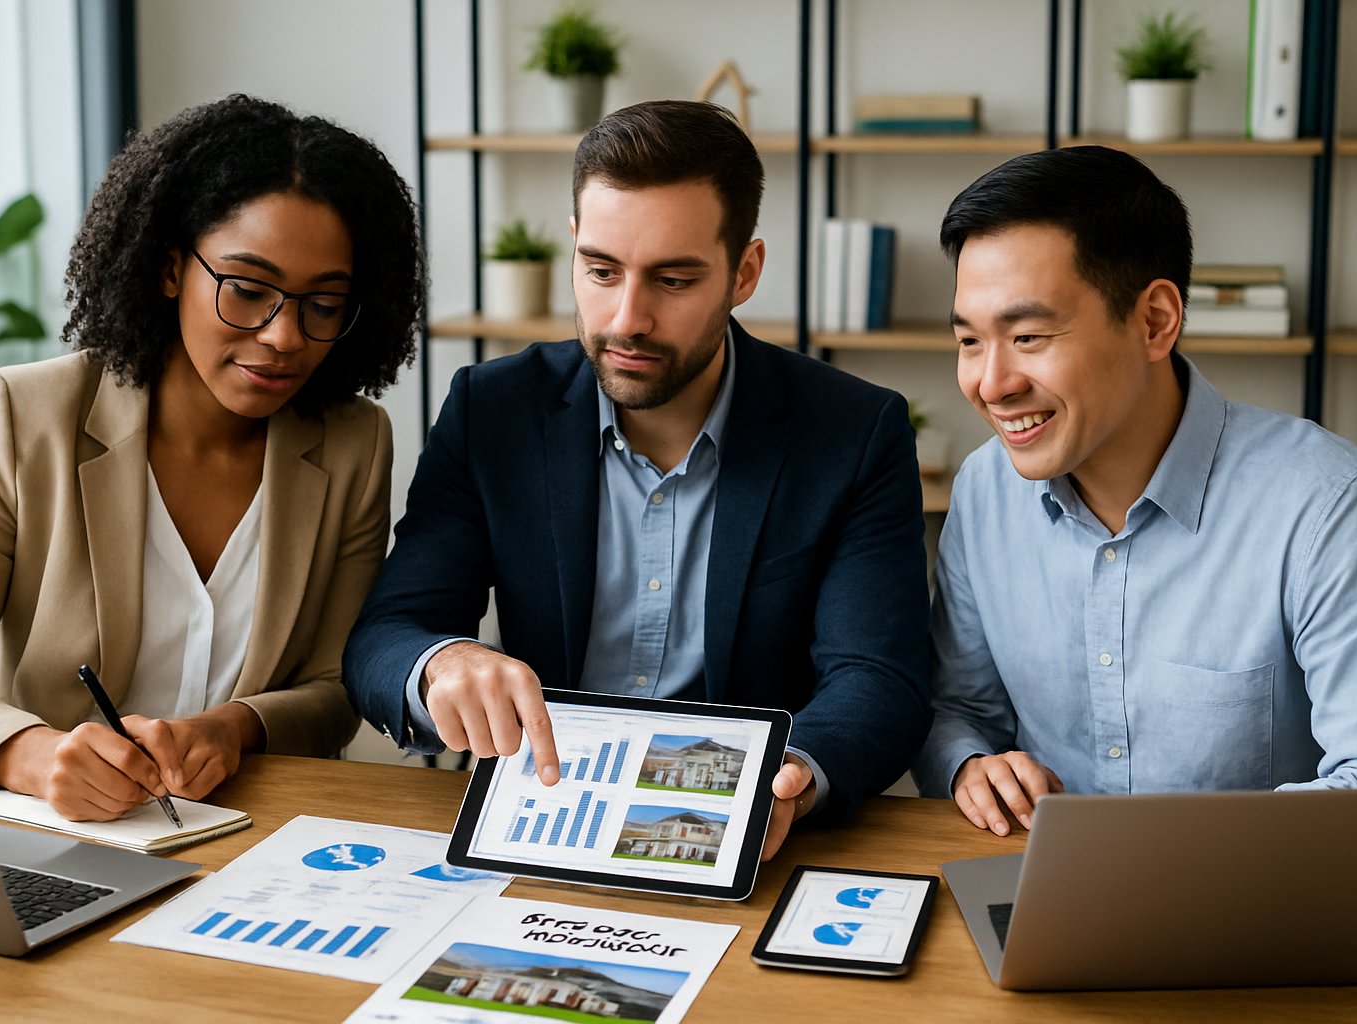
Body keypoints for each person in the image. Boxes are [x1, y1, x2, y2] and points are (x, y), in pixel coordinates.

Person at [344, 100, 931, 858]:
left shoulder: (852, 431)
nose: (627, 319)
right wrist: (442, 665)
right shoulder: (493, 410)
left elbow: (878, 677)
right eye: (601, 271)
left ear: (744, 272)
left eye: (674, 280)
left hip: (745, 830)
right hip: (544, 813)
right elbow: (385, 637)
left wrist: (790, 775)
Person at [0, 94, 424, 821]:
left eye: (323, 304)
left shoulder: (352, 442)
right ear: (169, 268)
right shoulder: (23, 416)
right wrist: (27, 753)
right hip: (49, 835)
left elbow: (335, 687)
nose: (283, 336)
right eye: (247, 291)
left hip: (250, 836)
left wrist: (235, 728)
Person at [913, 145, 1357, 835]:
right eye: (971, 341)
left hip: (1250, 915)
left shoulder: (1328, 506)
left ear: (1156, 320)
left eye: (1030, 335)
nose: (991, 383)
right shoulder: (985, 489)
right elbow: (958, 711)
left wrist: (1160, 868)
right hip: (1038, 895)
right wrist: (969, 764)